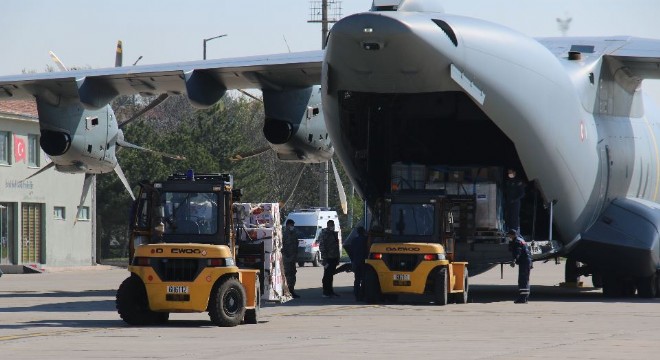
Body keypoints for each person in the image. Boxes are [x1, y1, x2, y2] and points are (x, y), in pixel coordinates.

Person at [508, 229, 533, 304]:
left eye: (509, 235)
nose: (508, 236)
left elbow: (518, 252)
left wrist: (514, 260)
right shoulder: (520, 239)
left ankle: (523, 299)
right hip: (526, 261)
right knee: (525, 279)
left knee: (523, 280)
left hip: (524, 262)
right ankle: (524, 298)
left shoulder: (517, 241)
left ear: (512, 235)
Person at [319, 219, 341, 298]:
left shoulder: (334, 234)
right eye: (331, 225)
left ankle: (330, 291)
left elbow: (337, 246)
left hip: (334, 257)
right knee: (327, 275)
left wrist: (338, 258)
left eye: (333, 225)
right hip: (328, 258)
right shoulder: (324, 234)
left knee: (331, 275)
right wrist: (324, 258)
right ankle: (326, 291)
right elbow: (322, 246)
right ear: (328, 225)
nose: (332, 227)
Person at [282, 219, 300, 298]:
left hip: (293, 258)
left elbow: (296, 245)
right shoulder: (283, 234)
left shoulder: (294, 234)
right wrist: (285, 256)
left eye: (293, 225)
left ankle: (292, 290)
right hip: (286, 258)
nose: (292, 227)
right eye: (291, 225)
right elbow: (281, 247)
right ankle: (286, 291)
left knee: (292, 275)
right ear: (287, 225)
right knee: (287, 275)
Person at [350, 226, 369, 301]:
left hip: (356, 261)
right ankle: (363, 294)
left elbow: (351, 251)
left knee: (357, 279)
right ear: (364, 232)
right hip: (364, 261)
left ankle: (357, 294)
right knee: (364, 279)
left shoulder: (354, 240)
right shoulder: (365, 240)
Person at [504, 168, 525, 233]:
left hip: (515, 202)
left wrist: (514, 200)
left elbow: (522, 194)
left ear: (514, 173)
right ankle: (508, 230)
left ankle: (515, 230)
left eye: (510, 172)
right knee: (508, 216)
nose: (509, 174)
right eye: (508, 173)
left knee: (514, 216)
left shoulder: (518, 181)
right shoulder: (507, 181)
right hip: (508, 202)